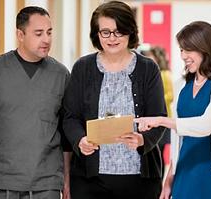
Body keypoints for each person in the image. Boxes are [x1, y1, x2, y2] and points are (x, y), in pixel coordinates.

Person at [0, 6, 71, 199]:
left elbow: (66, 133)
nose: (46, 39)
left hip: (45, 183)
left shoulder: (61, 75)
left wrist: (67, 181)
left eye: (49, 32)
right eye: (38, 33)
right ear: (20, 34)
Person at [62, 1, 166, 199]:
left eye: (119, 31)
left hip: (139, 179)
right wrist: (79, 140)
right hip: (89, 180)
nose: (112, 38)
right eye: (106, 32)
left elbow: (159, 117)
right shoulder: (83, 68)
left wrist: (143, 139)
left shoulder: (148, 69)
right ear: (97, 34)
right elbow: (70, 117)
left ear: (130, 32)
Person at [135, 21, 211, 199]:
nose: (183, 55)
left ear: (205, 48)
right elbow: (179, 138)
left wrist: (160, 120)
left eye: (188, 49)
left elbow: (205, 125)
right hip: (186, 171)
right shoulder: (182, 84)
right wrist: (170, 175)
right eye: (181, 50)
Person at [141, 46, 173, 172]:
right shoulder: (148, 75)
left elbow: (170, 95)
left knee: (159, 151)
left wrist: (155, 98)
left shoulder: (165, 74)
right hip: (151, 120)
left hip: (162, 119)